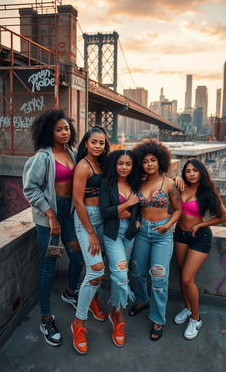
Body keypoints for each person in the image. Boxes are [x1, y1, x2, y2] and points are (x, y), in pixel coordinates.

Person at [23, 109, 84, 347]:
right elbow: (30, 189)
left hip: (68, 214)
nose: (64, 132)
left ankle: (70, 292)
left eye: (67, 128)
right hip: (49, 218)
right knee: (48, 267)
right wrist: (50, 216)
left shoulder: (73, 152)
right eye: (59, 129)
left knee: (77, 258)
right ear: (49, 131)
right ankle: (46, 318)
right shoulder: (43, 157)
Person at [129, 139, 182, 341]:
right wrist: (135, 221)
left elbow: (178, 210)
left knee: (159, 279)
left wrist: (168, 226)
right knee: (137, 272)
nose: (149, 164)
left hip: (162, 235)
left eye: (153, 160)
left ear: (160, 160)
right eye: (144, 161)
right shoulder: (139, 183)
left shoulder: (170, 184)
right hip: (142, 232)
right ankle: (143, 300)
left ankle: (158, 318)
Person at [173, 158, 226, 339]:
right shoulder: (180, 186)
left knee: (188, 279)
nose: (191, 174)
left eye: (194, 171)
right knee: (182, 276)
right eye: (187, 171)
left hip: (200, 238)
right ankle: (188, 309)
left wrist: (201, 224)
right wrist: (175, 178)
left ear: (201, 172)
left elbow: (224, 216)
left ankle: (196, 319)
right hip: (180, 235)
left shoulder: (207, 192)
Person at [71, 125, 110, 355]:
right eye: (94, 142)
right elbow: (78, 202)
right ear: (86, 143)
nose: (97, 146)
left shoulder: (103, 165)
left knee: (95, 264)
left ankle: (93, 300)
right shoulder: (83, 167)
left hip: (102, 219)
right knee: (96, 270)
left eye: (102, 143)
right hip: (86, 219)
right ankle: (79, 323)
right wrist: (92, 233)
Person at [99, 150, 140, 347]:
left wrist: (137, 219)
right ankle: (120, 320)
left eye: (128, 164)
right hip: (113, 233)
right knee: (122, 274)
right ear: (115, 164)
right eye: (120, 163)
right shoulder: (107, 184)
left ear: (133, 166)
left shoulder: (135, 184)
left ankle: (114, 311)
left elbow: (139, 208)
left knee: (117, 275)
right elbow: (104, 212)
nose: (124, 167)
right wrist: (126, 206)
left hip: (129, 234)